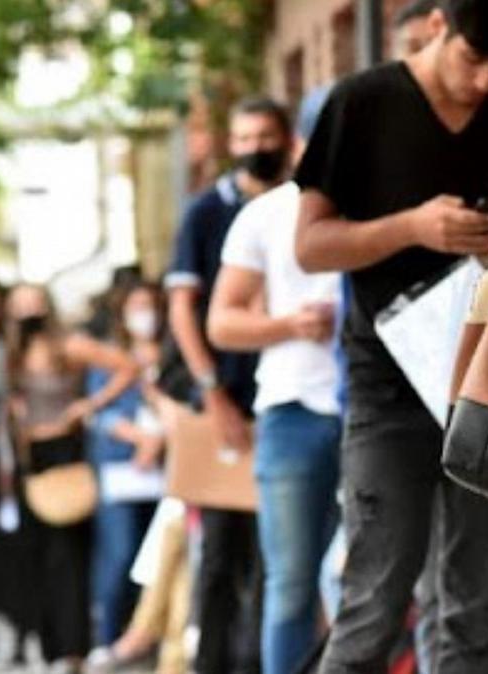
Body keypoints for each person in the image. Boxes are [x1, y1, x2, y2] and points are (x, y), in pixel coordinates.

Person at [294, 1, 488, 671]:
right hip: (390, 388)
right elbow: (309, 245)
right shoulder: (363, 103)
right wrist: (412, 228)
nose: (486, 81)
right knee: (373, 601)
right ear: (435, 29)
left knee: (475, 608)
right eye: (472, 60)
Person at [209, 87, 343, 674]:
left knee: (376, 583)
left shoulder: (391, 203)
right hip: (294, 410)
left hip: (385, 410)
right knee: (291, 582)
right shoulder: (263, 215)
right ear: (300, 144)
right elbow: (222, 320)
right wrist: (289, 324)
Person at [165, 95, 294, 674]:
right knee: (219, 555)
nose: (253, 148)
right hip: (230, 404)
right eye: (242, 138)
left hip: (292, 399)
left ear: (285, 138)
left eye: (264, 136)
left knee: (282, 559)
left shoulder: (304, 204)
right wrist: (212, 392)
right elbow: (182, 311)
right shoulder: (205, 212)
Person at [5, 283, 138, 673]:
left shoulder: (68, 345)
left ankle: (72, 648)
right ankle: (45, 645)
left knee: (70, 557)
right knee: (34, 556)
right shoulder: (6, 353)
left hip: (66, 454)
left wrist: (89, 404)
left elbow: (126, 365)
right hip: (24, 460)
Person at [85, 281, 168, 663]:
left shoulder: (170, 354)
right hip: (122, 468)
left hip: (167, 470)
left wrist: (158, 439)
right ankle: (108, 636)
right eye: (135, 305)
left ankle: (151, 635)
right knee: (120, 554)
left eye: (148, 305)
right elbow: (99, 413)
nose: (143, 314)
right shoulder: (110, 357)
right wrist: (141, 440)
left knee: (160, 557)